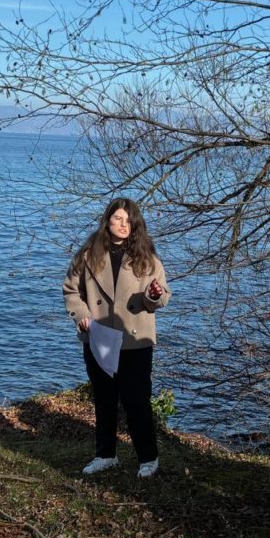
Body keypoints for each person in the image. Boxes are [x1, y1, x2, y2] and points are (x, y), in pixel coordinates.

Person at [62, 198, 170, 478]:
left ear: (136, 225)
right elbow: (72, 291)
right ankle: (105, 454)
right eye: (118, 219)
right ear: (107, 221)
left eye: (129, 220)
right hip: (98, 337)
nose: (124, 225)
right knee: (104, 399)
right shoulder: (87, 255)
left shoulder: (148, 258)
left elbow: (162, 296)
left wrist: (153, 296)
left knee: (137, 401)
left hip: (135, 340)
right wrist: (82, 314)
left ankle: (148, 458)